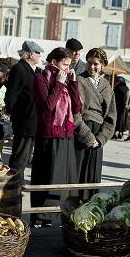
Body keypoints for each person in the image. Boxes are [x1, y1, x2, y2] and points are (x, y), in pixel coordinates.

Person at [31, 47, 82, 227]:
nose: (67, 69)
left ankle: (63, 216)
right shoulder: (40, 79)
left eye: (69, 66)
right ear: (54, 63)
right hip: (48, 136)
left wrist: (73, 84)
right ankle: (41, 217)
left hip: (66, 135)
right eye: (65, 65)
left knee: (65, 179)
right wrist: (59, 85)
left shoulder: (66, 80)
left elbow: (77, 108)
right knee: (47, 176)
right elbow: (46, 108)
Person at [74, 48, 117, 195]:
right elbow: (74, 112)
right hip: (81, 132)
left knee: (92, 175)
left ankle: (90, 210)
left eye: (96, 64)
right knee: (77, 174)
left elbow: (111, 116)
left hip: (98, 135)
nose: (92, 67)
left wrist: (101, 138)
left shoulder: (107, 86)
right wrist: (87, 136)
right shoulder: (79, 81)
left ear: (102, 65)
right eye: (89, 63)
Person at [4, 40, 43, 184]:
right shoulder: (19, 69)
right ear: (30, 54)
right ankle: (12, 185)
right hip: (24, 119)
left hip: (32, 119)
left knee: (26, 156)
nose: (39, 55)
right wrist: (15, 115)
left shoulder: (33, 70)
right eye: (37, 53)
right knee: (20, 156)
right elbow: (11, 95)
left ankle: (17, 183)